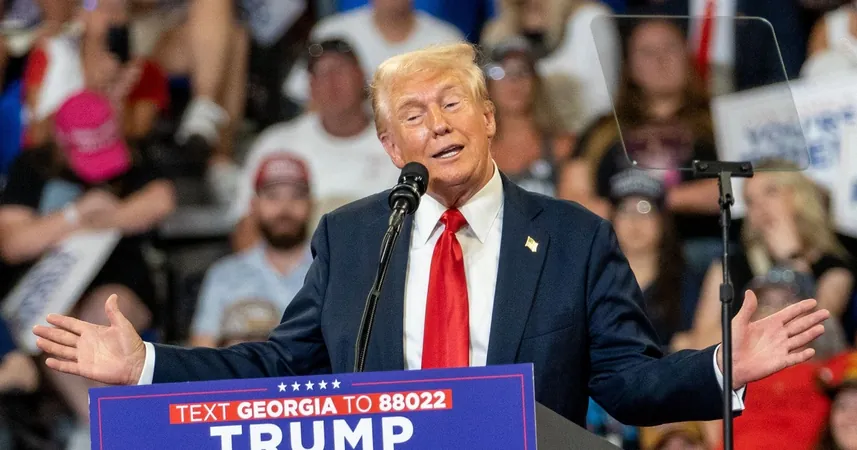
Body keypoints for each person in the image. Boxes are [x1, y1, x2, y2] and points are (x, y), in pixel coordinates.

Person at [33, 43, 830, 427]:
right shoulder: (351, 237)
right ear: (391, 147)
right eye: (412, 116)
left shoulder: (573, 236)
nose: (437, 124)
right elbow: (279, 365)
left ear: (487, 117)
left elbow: (624, 382)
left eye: (452, 104)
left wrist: (720, 367)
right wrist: (146, 365)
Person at [231, 38, 398, 251]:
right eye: (321, 73)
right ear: (310, 86)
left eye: (340, 70)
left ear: (362, 78)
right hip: (298, 267)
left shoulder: (398, 143)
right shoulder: (277, 143)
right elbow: (246, 228)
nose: (332, 82)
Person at [190, 153, 314, 348]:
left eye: (296, 196)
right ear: (253, 205)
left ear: (311, 204)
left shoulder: (331, 273)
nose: (285, 208)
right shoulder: (223, 275)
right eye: (273, 197)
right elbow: (201, 353)